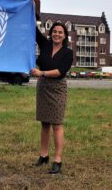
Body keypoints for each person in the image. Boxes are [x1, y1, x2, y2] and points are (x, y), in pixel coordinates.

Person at [31, 22, 73, 174]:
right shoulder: (45, 44)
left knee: (56, 124)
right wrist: (33, 11)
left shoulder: (68, 53)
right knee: (44, 124)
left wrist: (41, 73)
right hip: (43, 87)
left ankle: (58, 160)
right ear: (51, 33)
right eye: (54, 31)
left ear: (65, 36)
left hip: (57, 89)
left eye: (60, 32)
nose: (57, 34)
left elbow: (60, 71)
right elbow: (34, 30)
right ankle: (43, 156)